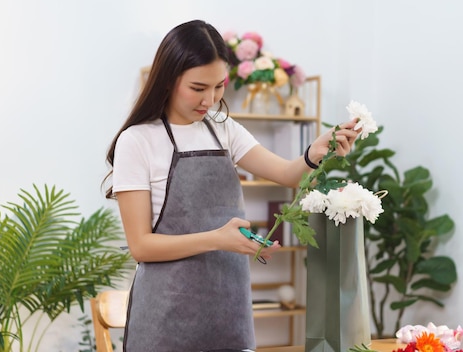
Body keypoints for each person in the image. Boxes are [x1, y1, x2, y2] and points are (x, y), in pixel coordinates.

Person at [103, 19, 359, 352]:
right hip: (165, 318)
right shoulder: (137, 141)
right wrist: (218, 239)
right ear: (168, 79)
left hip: (228, 310)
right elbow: (141, 246)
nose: (209, 99)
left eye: (219, 86)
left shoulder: (223, 129)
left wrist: (315, 152)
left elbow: (287, 174)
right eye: (198, 88)